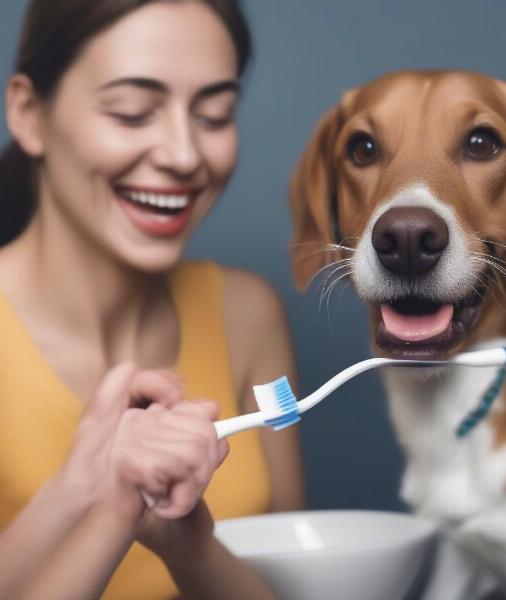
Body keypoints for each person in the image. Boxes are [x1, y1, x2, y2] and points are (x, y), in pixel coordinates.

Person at [0, 1, 304, 598]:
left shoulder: (252, 317)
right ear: (30, 114)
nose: (185, 156)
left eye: (215, 116)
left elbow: (292, 566)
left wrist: (188, 543)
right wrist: (94, 495)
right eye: (132, 113)